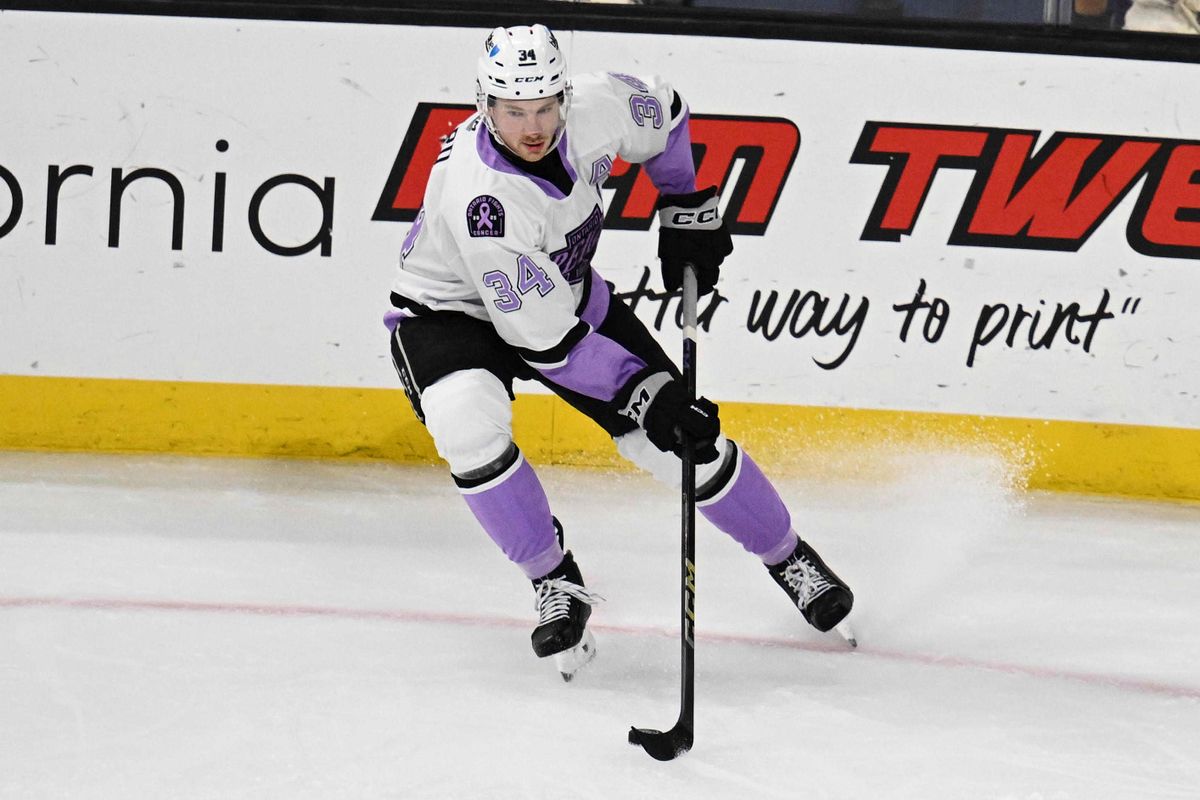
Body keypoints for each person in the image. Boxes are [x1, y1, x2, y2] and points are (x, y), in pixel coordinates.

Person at [384, 24, 854, 680]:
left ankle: (790, 557)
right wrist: (647, 393)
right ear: (483, 105)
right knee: (467, 425)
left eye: (545, 106)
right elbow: (552, 348)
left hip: (563, 297)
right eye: (515, 112)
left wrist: (684, 201)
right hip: (450, 316)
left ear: (562, 96)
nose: (533, 126)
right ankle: (555, 582)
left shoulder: (597, 106)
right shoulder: (483, 203)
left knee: (690, 446)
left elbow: (665, 115)